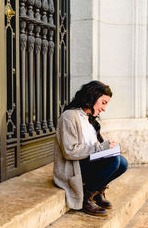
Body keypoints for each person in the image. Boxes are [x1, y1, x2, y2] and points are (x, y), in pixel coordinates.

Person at [53, 81, 128, 216]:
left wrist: (109, 147)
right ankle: (86, 198)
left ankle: (97, 191)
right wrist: (102, 147)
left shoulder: (90, 119)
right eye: (103, 102)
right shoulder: (69, 116)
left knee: (122, 163)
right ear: (92, 97)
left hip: (87, 163)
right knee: (114, 161)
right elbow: (70, 151)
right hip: (74, 167)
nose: (104, 108)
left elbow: (94, 146)